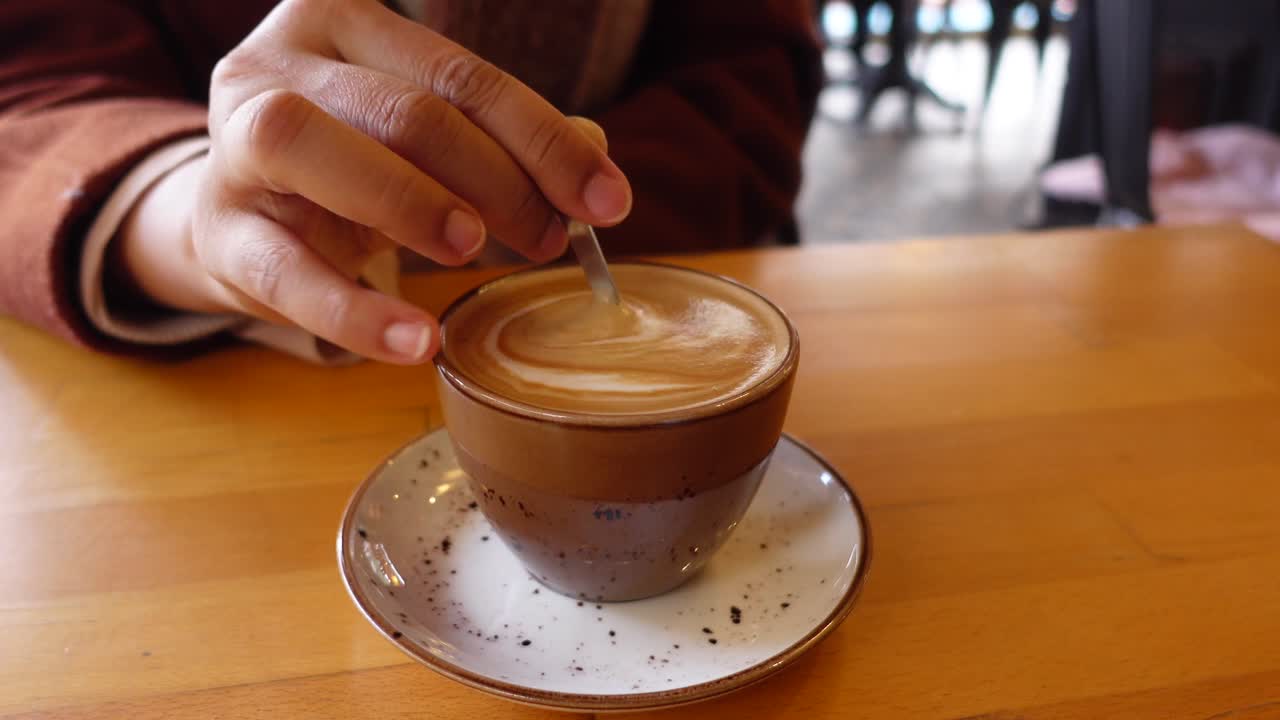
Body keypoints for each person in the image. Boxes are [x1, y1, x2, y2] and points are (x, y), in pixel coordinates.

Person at [0, 0, 821, 365]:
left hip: (658, 287)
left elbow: (749, 72)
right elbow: (30, 92)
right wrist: (197, 215)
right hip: (232, 384)